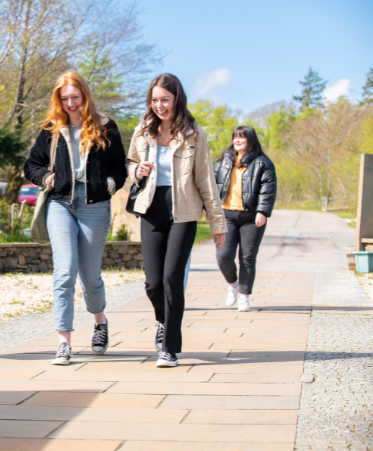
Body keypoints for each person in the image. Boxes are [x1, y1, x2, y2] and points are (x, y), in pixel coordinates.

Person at [24, 71, 127, 366]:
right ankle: (64, 343)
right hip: (60, 204)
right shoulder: (51, 128)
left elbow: (120, 169)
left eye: (75, 97)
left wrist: (108, 184)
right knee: (64, 272)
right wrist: (46, 177)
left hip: (94, 205)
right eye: (64, 98)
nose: (70, 103)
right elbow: (31, 165)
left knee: (90, 275)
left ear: (85, 95)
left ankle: (99, 322)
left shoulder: (106, 126)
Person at [126, 73, 227, 367]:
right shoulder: (143, 131)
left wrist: (218, 221)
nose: (160, 105)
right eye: (155, 100)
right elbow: (130, 162)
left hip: (184, 212)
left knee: (172, 278)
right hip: (151, 207)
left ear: (177, 99)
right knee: (153, 283)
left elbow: (206, 179)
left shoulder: (194, 134)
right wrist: (137, 171)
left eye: (165, 100)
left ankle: (169, 347)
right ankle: (163, 319)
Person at [213, 126, 277, 312]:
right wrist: (208, 208)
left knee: (247, 258)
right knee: (223, 255)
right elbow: (212, 184)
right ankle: (233, 285)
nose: (237, 141)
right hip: (226, 216)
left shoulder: (263, 162)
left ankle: (244, 297)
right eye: (235, 137)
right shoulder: (224, 160)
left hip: (251, 217)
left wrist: (263, 212)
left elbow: (268, 188)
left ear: (250, 140)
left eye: (241, 137)